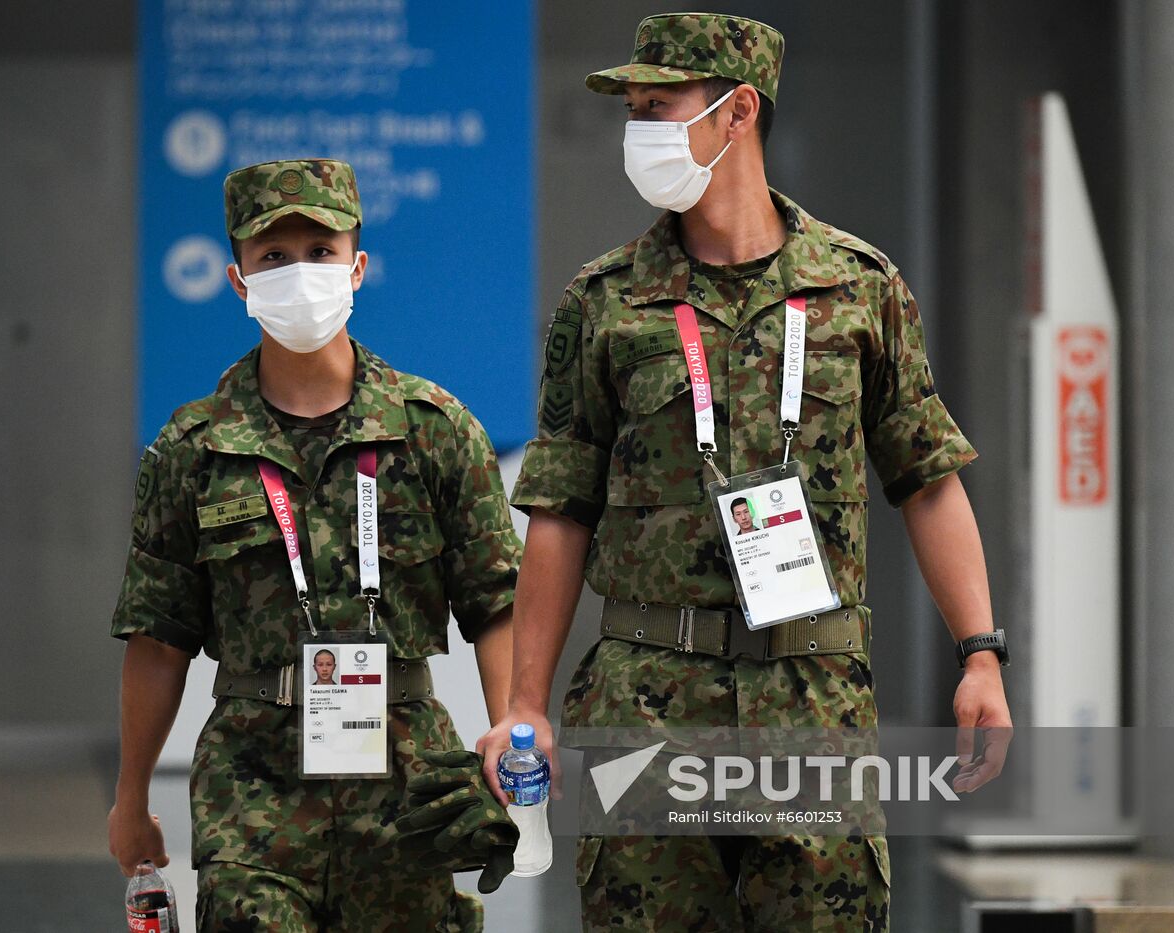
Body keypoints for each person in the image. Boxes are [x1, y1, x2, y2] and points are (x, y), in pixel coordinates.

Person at [478, 13, 1013, 931]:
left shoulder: (860, 287)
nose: (639, 130)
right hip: (646, 701)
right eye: (633, 110)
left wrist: (982, 656)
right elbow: (559, 512)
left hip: (812, 701)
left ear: (737, 114)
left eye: (660, 106)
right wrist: (524, 704)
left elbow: (927, 478)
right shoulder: (604, 304)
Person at [107, 159, 522, 931]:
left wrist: (511, 726)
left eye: (321, 251)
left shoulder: (433, 430)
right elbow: (158, 638)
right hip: (252, 781)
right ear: (238, 279)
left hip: (407, 777)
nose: (300, 273)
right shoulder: (191, 450)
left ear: (357, 267)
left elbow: (496, 601)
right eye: (273, 257)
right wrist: (131, 797)